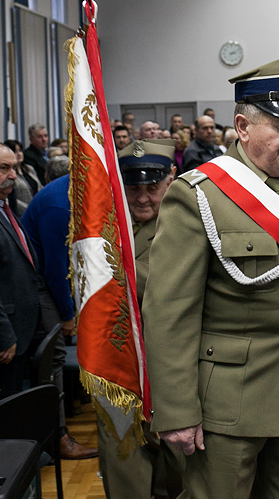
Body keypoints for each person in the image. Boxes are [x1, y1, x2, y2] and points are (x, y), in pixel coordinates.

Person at [143, 54, 279, 499]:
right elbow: (169, 312)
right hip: (229, 399)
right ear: (242, 126)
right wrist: (177, 410)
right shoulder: (198, 194)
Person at [99, 139, 185, 498]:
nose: (144, 198)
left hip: (171, 367)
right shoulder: (106, 226)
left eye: (153, 188)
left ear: (172, 179)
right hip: (117, 366)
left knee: (178, 466)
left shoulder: (186, 225)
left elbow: (169, 288)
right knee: (124, 465)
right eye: (133, 189)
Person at [19, 166, 97, 460]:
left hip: (61, 277)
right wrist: (67, 314)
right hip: (42, 283)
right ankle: (58, 437)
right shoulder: (58, 204)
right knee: (54, 357)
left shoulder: (77, 190)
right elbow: (54, 269)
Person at [0, 143, 49, 396]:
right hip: (7, 336)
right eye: (3, 168)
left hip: (24, 325)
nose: (13, 175)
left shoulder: (3, 205)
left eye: (15, 168)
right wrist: (3, 334)